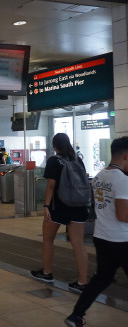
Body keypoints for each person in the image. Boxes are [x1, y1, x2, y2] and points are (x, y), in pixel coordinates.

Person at [64, 136, 128, 327]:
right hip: (122, 240)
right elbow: (123, 215)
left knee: (102, 278)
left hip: (102, 236)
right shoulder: (122, 180)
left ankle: (76, 315)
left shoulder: (100, 176)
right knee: (102, 278)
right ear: (126, 156)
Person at [31, 133, 89, 293]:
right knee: (78, 244)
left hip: (59, 206)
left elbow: (50, 186)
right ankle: (82, 282)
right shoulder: (78, 159)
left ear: (54, 145)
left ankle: (47, 272)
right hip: (78, 205)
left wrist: (46, 206)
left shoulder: (54, 161)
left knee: (48, 239)